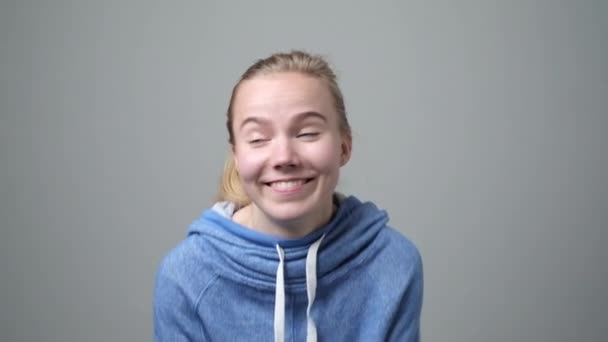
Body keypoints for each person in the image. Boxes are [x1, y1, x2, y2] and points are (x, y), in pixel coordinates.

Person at [153, 50, 423, 341]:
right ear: (237, 156)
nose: (284, 157)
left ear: (344, 147)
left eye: (307, 133)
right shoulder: (185, 277)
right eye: (258, 139)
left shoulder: (393, 263)